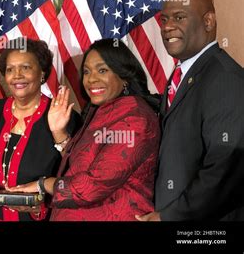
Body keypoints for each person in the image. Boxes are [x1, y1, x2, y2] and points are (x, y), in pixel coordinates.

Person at [11, 39, 161, 221]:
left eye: (102, 70)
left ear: (125, 76)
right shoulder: (102, 110)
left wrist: (43, 184)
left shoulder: (135, 119)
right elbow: (83, 163)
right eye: (87, 72)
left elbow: (91, 187)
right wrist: (59, 132)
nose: (91, 79)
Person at [137, 0, 244, 221]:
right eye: (164, 19)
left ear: (208, 22)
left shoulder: (225, 78)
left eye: (179, 17)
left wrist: (170, 216)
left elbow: (224, 168)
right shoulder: (183, 74)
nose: (167, 27)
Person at [0, 38, 81, 221]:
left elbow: (79, 179)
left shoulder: (66, 117)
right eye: (10, 69)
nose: (17, 75)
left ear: (42, 74)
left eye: (26, 67)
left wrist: (39, 204)